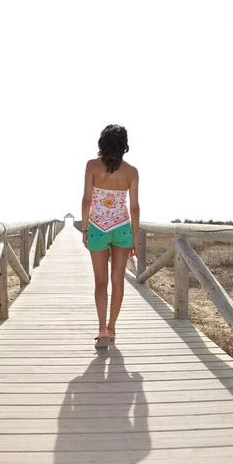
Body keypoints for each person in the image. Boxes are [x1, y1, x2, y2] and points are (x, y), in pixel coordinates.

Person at [81, 124, 140, 348]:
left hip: (97, 227)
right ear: (124, 145)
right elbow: (134, 206)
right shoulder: (131, 172)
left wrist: (85, 228)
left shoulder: (92, 166)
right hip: (123, 228)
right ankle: (113, 328)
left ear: (102, 142)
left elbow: (87, 200)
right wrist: (135, 236)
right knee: (118, 281)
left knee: (101, 282)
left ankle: (102, 330)